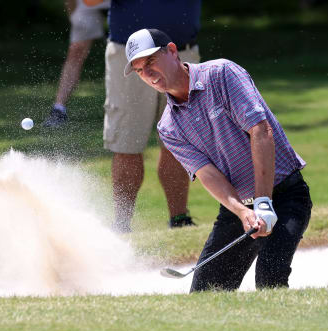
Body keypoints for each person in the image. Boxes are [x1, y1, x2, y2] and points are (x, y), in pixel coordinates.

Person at [124, 28, 313, 291]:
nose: (149, 74)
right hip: (238, 208)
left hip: (285, 195)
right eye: (140, 70)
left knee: (270, 280)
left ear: (172, 51)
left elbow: (261, 131)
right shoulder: (168, 126)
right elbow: (207, 173)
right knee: (206, 294)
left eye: (151, 62)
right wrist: (243, 211)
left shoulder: (222, 74)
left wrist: (263, 203)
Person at [84, 0, 202, 233]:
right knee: (127, 143)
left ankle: (179, 219)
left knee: (180, 141)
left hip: (181, 51)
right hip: (128, 57)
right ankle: (122, 225)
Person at [42, 0, 110, 128]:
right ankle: (59, 109)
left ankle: (138, 108)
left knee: (129, 53)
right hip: (87, 3)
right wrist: (73, 15)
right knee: (76, 51)